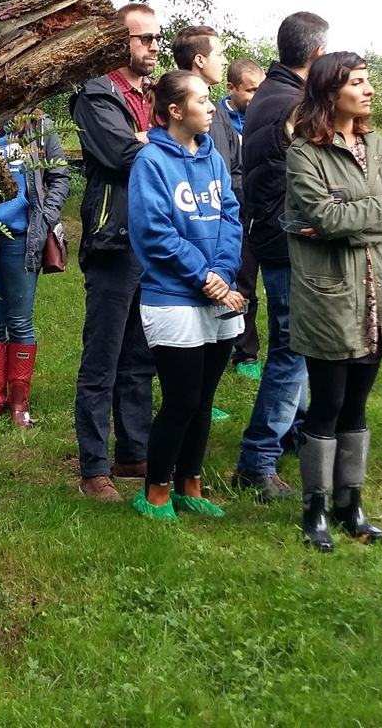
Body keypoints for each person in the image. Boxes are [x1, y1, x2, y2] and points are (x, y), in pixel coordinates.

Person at [284, 53, 382, 551]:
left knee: (357, 405)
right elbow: (324, 216)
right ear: (330, 91)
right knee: (328, 403)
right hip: (330, 297)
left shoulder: (379, 145)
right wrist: (377, 208)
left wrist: (355, 216)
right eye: (358, 83)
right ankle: (314, 508)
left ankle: (350, 502)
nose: (368, 90)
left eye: (368, 81)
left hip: (378, 292)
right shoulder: (304, 152)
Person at [127, 70, 244, 522]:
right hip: (173, 296)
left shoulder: (213, 158)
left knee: (205, 397)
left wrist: (222, 272)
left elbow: (231, 216)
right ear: (175, 111)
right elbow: (154, 233)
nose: (211, 106)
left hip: (217, 290)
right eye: (202, 99)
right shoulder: (151, 163)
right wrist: (203, 276)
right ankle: (155, 491)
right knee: (182, 398)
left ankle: (189, 484)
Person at [231, 12, 329, 502]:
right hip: (287, 236)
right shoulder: (294, 101)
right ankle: (257, 458)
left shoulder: (269, 92)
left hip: (269, 231)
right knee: (293, 346)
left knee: (295, 340)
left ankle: (294, 429)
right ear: (316, 54)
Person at [70, 3, 163, 503]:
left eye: (156, 38)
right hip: (113, 237)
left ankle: (133, 453)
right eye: (142, 38)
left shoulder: (154, 95)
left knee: (140, 357)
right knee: (102, 358)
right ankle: (93, 467)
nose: (152, 46)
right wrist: (162, 138)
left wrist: (152, 136)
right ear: (115, 43)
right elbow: (124, 155)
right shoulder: (95, 94)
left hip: (154, 241)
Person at [0, 109, 70, 428]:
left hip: (21, 238)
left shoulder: (39, 125)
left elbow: (59, 178)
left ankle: (19, 404)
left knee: (20, 320)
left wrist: (44, 218)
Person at [171, 25, 242, 422]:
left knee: (212, 349)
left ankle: (200, 404)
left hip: (221, 252)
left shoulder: (217, 124)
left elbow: (234, 179)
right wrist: (204, 272)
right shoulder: (186, 117)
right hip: (183, 270)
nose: (224, 61)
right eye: (219, 53)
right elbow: (161, 226)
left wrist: (225, 263)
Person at [224, 58, 265, 377]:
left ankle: (247, 351)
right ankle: (235, 349)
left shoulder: (264, 116)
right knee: (238, 282)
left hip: (260, 212)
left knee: (253, 283)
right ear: (231, 89)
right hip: (231, 211)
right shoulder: (216, 118)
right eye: (251, 90)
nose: (257, 96)